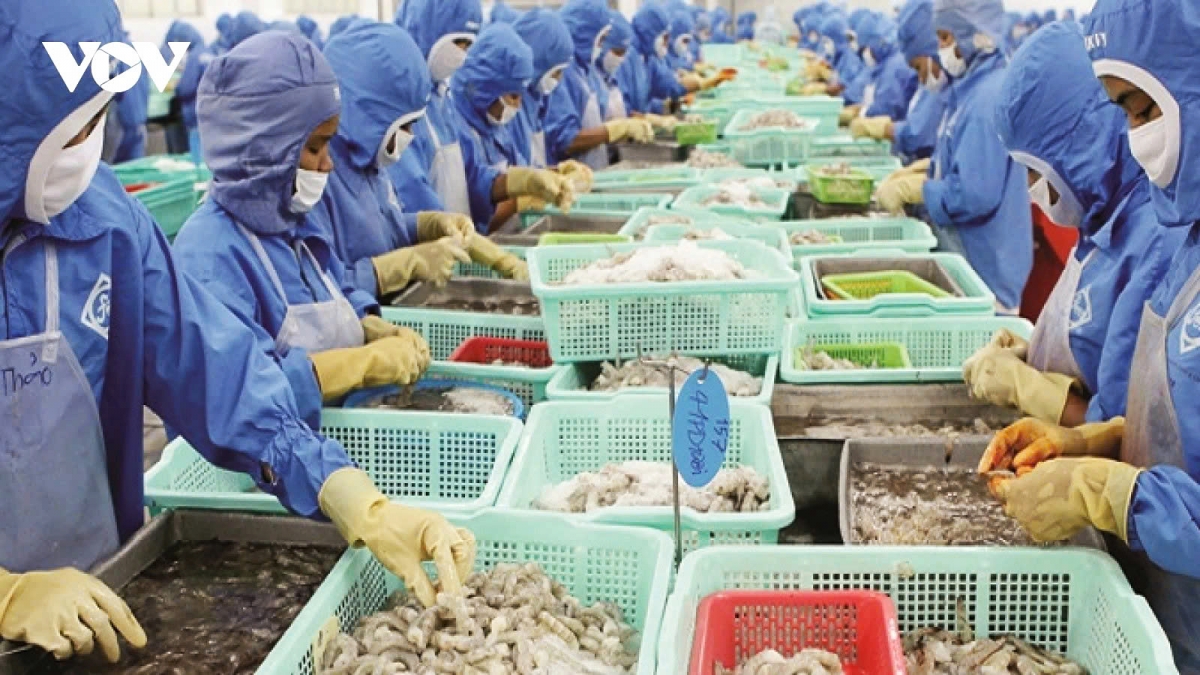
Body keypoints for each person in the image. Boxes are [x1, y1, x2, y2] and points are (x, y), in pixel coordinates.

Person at [0, 1, 473, 663]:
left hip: (94, 609)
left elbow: (214, 370)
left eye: (101, 118)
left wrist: (356, 499)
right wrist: (6, 592)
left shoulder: (105, 226)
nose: (95, 148)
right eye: (76, 127)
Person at [983, 0, 1200, 668]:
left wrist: (1111, 492)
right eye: (1123, 112)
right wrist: (1087, 439)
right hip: (1168, 614)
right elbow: (1172, 424)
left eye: (1142, 110)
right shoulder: (1185, 238)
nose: (1136, 140)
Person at [173, 30, 433, 432]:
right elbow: (234, 398)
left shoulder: (293, 225)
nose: (328, 165)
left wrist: (369, 324)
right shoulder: (209, 254)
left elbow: (331, 292)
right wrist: (360, 365)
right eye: (315, 148)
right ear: (265, 148)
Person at [964, 21, 1182, 429]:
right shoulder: (1102, 225)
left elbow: (1125, 434)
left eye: (1035, 169)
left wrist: (1027, 388)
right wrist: (1033, 357)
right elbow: (1094, 361)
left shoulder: (1152, 243)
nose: (1031, 188)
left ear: (1080, 144)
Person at [308, 21, 532, 298]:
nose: (412, 136)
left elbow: (384, 229)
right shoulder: (317, 176)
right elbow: (320, 287)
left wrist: (427, 224)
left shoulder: (369, 165)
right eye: (404, 126)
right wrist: (399, 266)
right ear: (370, 117)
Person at [875, 0, 1031, 313]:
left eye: (947, 38)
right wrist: (929, 170)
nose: (941, 48)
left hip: (986, 274)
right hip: (972, 262)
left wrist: (920, 189)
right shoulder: (969, 90)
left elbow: (975, 194)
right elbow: (960, 160)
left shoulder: (986, 99)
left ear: (974, 34)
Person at [394, 0, 573, 223]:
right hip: (437, 250)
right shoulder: (403, 112)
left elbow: (473, 177)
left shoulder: (442, 104)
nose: (461, 55)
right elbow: (413, 201)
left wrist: (524, 181)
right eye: (457, 43)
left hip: (458, 246)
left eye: (467, 46)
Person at [546, 0, 654, 170]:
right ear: (585, 34)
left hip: (596, 170)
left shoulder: (586, 71)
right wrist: (615, 130)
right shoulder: (563, 73)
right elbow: (566, 139)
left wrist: (630, 123)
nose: (601, 47)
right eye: (601, 39)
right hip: (574, 178)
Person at [852, 0, 946, 162]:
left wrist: (881, 126)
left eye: (918, 68)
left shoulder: (940, 84)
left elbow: (918, 133)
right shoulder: (934, 79)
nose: (920, 78)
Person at [176, 11, 263, 165]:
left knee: (201, 160)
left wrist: (177, 90)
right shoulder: (255, 53)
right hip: (232, 120)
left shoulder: (201, 54)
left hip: (199, 115)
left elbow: (186, 87)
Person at [510, 9, 573, 168]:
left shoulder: (536, 100)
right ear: (537, 62)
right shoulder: (510, 106)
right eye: (556, 72)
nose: (558, 79)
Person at [617, 3, 687, 117]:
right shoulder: (628, 57)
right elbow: (623, 108)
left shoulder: (648, 58)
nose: (666, 43)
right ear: (649, 32)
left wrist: (665, 107)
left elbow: (661, 88)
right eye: (664, 37)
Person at [848, 14, 918, 123]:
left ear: (878, 43)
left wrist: (862, 112)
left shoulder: (894, 67)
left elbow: (886, 109)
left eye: (865, 48)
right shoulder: (884, 65)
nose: (864, 54)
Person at [597, 11, 632, 122]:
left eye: (624, 53)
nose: (621, 59)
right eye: (617, 52)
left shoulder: (610, 75)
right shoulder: (587, 77)